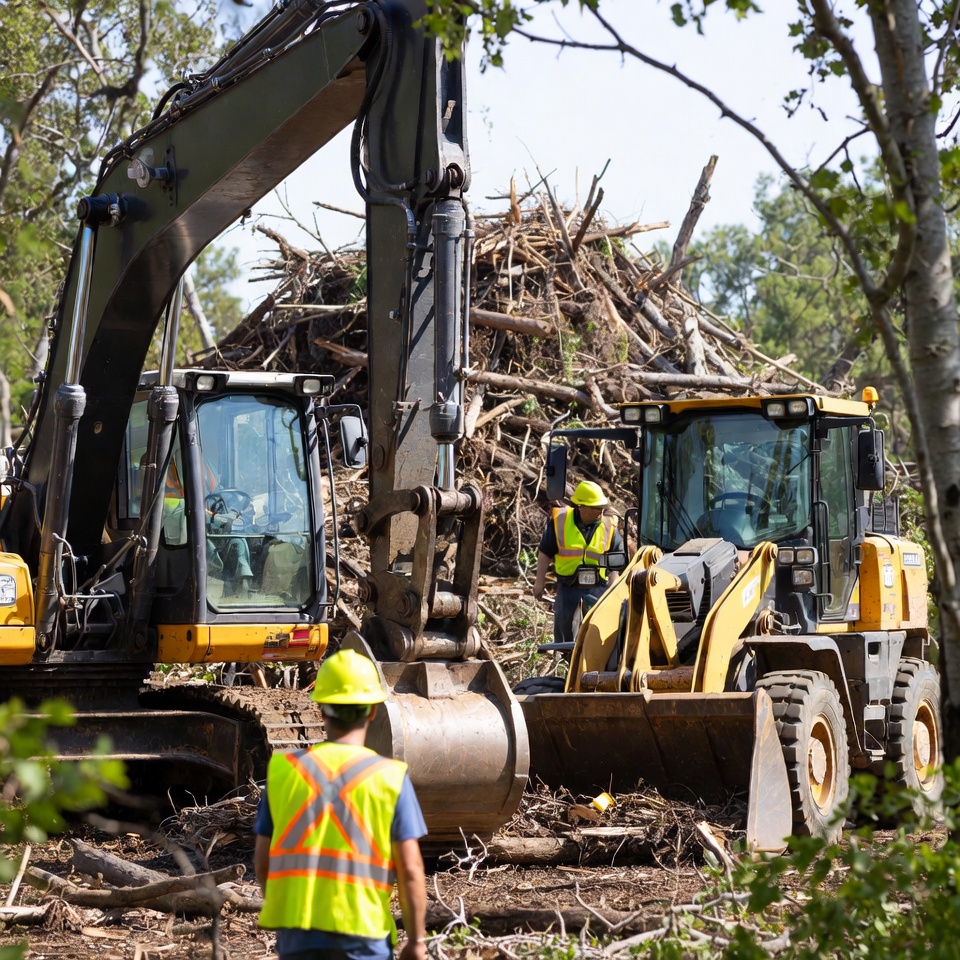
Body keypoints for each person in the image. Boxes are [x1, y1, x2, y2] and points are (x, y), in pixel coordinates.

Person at [254, 648, 428, 960]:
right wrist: (416, 941)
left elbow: (263, 862)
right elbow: (411, 870)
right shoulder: (389, 778)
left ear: (320, 709)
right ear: (373, 711)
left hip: (298, 938)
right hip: (364, 937)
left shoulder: (283, 772)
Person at [533, 480, 623, 646]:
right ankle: (566, 665)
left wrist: (613, 586)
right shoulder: (561, 521)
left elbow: (616, 561)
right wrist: (539, 581)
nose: (601, 512)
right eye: (596, 508)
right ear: (581, 506)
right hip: (568, 588)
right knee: (565, 637)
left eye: (602, 508)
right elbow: (546, 551)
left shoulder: (609, 526)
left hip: (599, 589)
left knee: (601, 638)